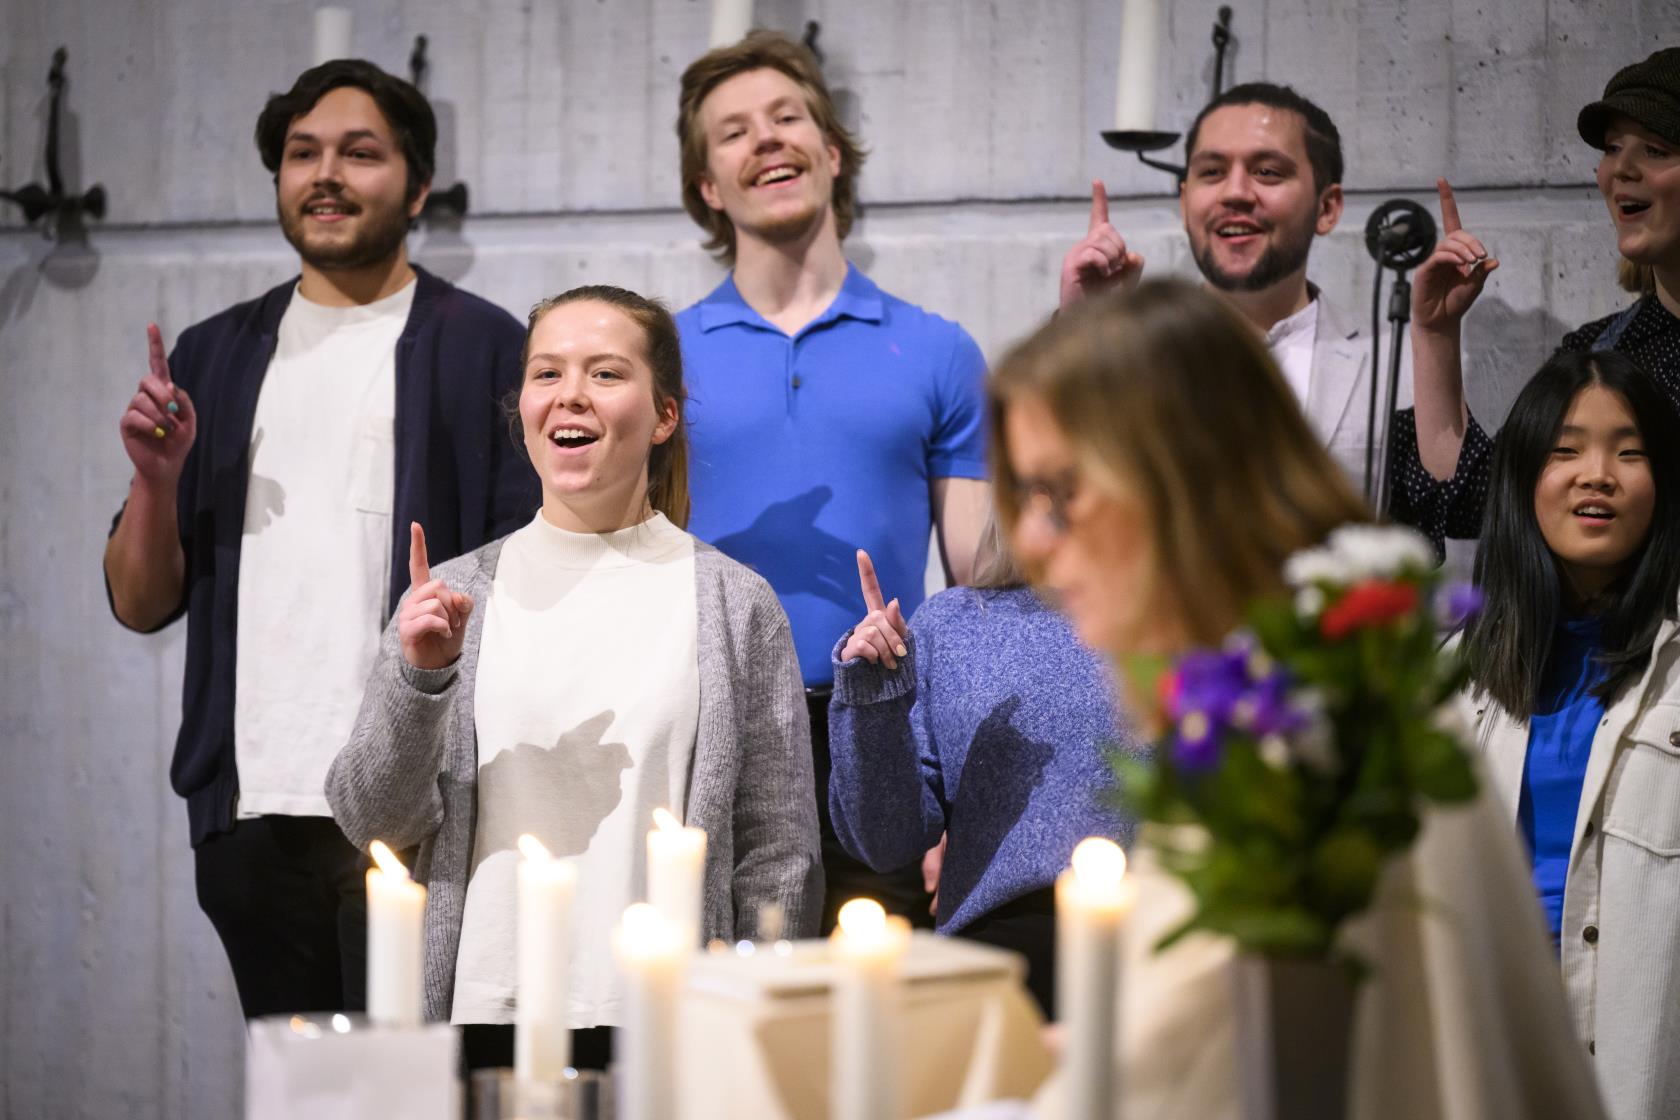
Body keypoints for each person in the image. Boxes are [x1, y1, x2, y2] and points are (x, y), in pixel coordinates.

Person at [991, 280, 1606, 1119]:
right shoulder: (1323, 675)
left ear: (1181, 476)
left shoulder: (1286, 732)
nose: (1029, 542)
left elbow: (1190, 1081)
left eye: (1059, 492)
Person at [102, 60, 538, 1018]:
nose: (326, 174)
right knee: (298, 1092)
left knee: (411, 1090)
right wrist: (154, 480)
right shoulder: (214, 356)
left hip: (415, 812)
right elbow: (140, 602)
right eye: (303, 154)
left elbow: (529, 585)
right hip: (248, 816)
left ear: (418, 186)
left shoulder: (487, 350)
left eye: (360, 153)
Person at [324, 285, 821, 1071]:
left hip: (667, 1021)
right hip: (482, 1016)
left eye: (606, 374)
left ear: (663, 416)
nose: (571, 397)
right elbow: (369, 818)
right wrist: (422, 681)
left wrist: (756, 1024)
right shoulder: (456, 593)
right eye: (547, 373)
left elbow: (779, 852)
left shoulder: (733, 602)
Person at [674, 31, 990, 930]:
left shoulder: (937, 348)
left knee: (876, 1039)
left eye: (787, 118)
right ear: (707, 185)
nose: (766, 139)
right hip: (712, 735)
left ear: (832, 151)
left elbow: (977, 579)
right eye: (733, 131)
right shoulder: (660, 356)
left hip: (884, 727)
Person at [1456, 349, 1680, 1120]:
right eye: (1565, 451)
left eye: (1629, 452)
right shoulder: (1455, 672)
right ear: (1524, 480)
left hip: (1638, 1060)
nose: (1597, 474)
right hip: (1487, 1053)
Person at [825, 517, 1130, 1018]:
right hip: (998, 967)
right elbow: (886, 840)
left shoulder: (1178, 617)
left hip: (1156, 955)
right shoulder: (953, 624)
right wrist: (874, 698)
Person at [1059, 82, 1404, 504]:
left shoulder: (1394, 361)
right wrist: (1082, 329)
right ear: (1185, 205)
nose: (1236, 192)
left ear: (1326, 208)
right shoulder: (1132, 357)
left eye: (1267, 172)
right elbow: (1006, 554)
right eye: (1212, 172)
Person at [1399, 46, 1680, 544]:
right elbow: (1482, 502)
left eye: (1656, 149)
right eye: (1613, 149)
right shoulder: (1600, 351)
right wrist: (1436, 331)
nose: (1621, 170)